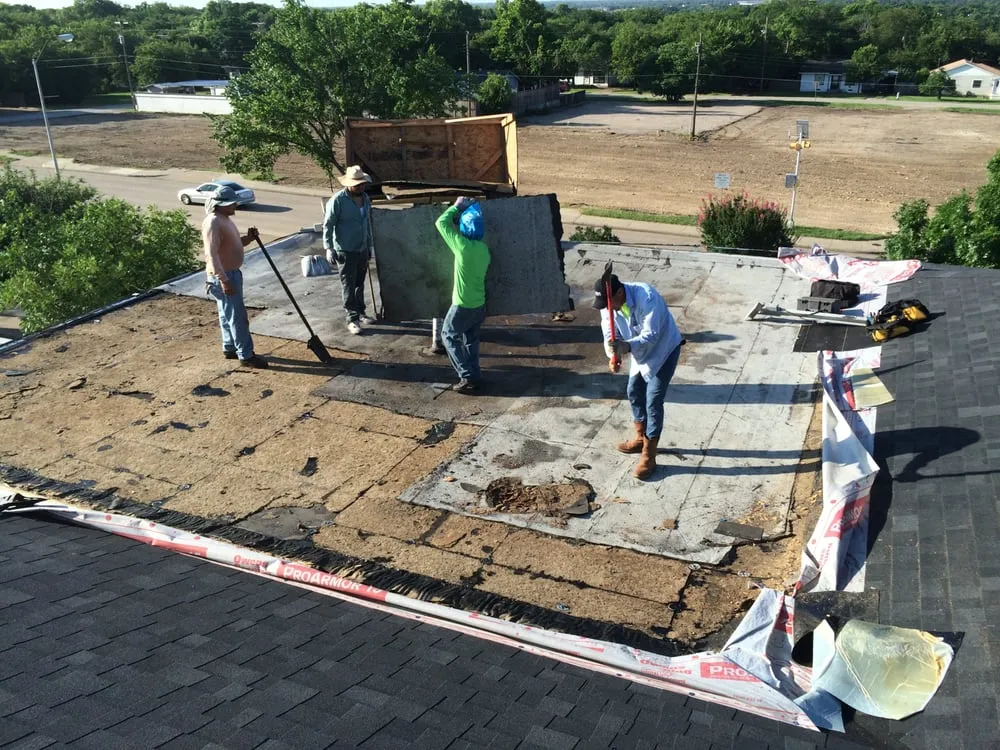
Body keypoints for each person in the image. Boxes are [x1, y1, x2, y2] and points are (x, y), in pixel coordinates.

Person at [596, 273, 682, 480]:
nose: (608, 309)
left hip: (663, 351)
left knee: (653, 400)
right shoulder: (608, 305)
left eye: (610, 304)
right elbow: (609, 333)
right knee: (633, 391)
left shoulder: (646, 296)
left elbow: (651, 334)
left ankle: (649, 455)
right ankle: (640, 437)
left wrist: (626, 346)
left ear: (619, 292)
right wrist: (613, 355)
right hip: (638, 352)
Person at [203, 185, 268, 369]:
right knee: (237, 316)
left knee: (226, 313)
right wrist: (223, 280)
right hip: (224, 275)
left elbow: (232, 245)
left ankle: (230, 347)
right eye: (231, 203)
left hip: (229, 273)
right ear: (221, 205)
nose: (235, 205)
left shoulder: (224, 219)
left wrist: (249, 238)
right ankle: (246, 355)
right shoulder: (214, 222)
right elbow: (211, 254)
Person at [435, 197, 491, 394]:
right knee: (470, 339)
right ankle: (475, 375)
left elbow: (441, 223)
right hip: (479, 304)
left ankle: (466, 376)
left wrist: (456, 207)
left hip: (462, 304)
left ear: (465, 228)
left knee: (448, 335)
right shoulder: (484, 250)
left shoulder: (462, 246)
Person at [324, 165, 375, 335]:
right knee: (348, 284)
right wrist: (329, 248)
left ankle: (361, 312)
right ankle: (351, 318)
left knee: (360, 283)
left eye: (363, 184)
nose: (361, 187)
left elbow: (366, 223)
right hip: (345, 249)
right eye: (358, 184)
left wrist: (369, 245)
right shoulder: (338, 200)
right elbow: (328, 225)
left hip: (361, 247)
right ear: (349, 184)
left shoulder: (365, 198)